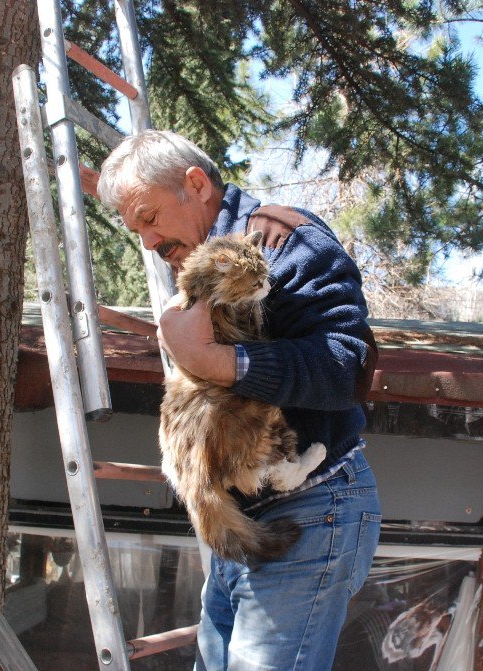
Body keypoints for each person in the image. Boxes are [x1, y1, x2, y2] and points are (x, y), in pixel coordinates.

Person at [97, 129, 381, 671]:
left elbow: (348, 366)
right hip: (244, 519)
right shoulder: (197, 263)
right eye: (137, 232)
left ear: (196, 185)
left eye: (151, 218)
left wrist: (220, 364)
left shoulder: (282, 243)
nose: (150, 244)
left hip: (313, 504)